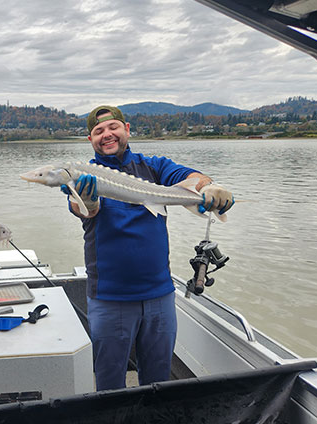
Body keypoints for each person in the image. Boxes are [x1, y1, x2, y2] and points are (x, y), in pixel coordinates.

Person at [63, 105, 234, 391]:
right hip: (109, 299)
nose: (107, 135)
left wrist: (209, 188)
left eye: (113, 127)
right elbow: (83, 211)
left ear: (127, 129)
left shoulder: (153, 166)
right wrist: (87, 201)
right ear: (90, 139)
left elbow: (191, 177)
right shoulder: (82, 176)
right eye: (98, 131)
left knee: (158, 381)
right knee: (109, 382)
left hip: (160, 296)